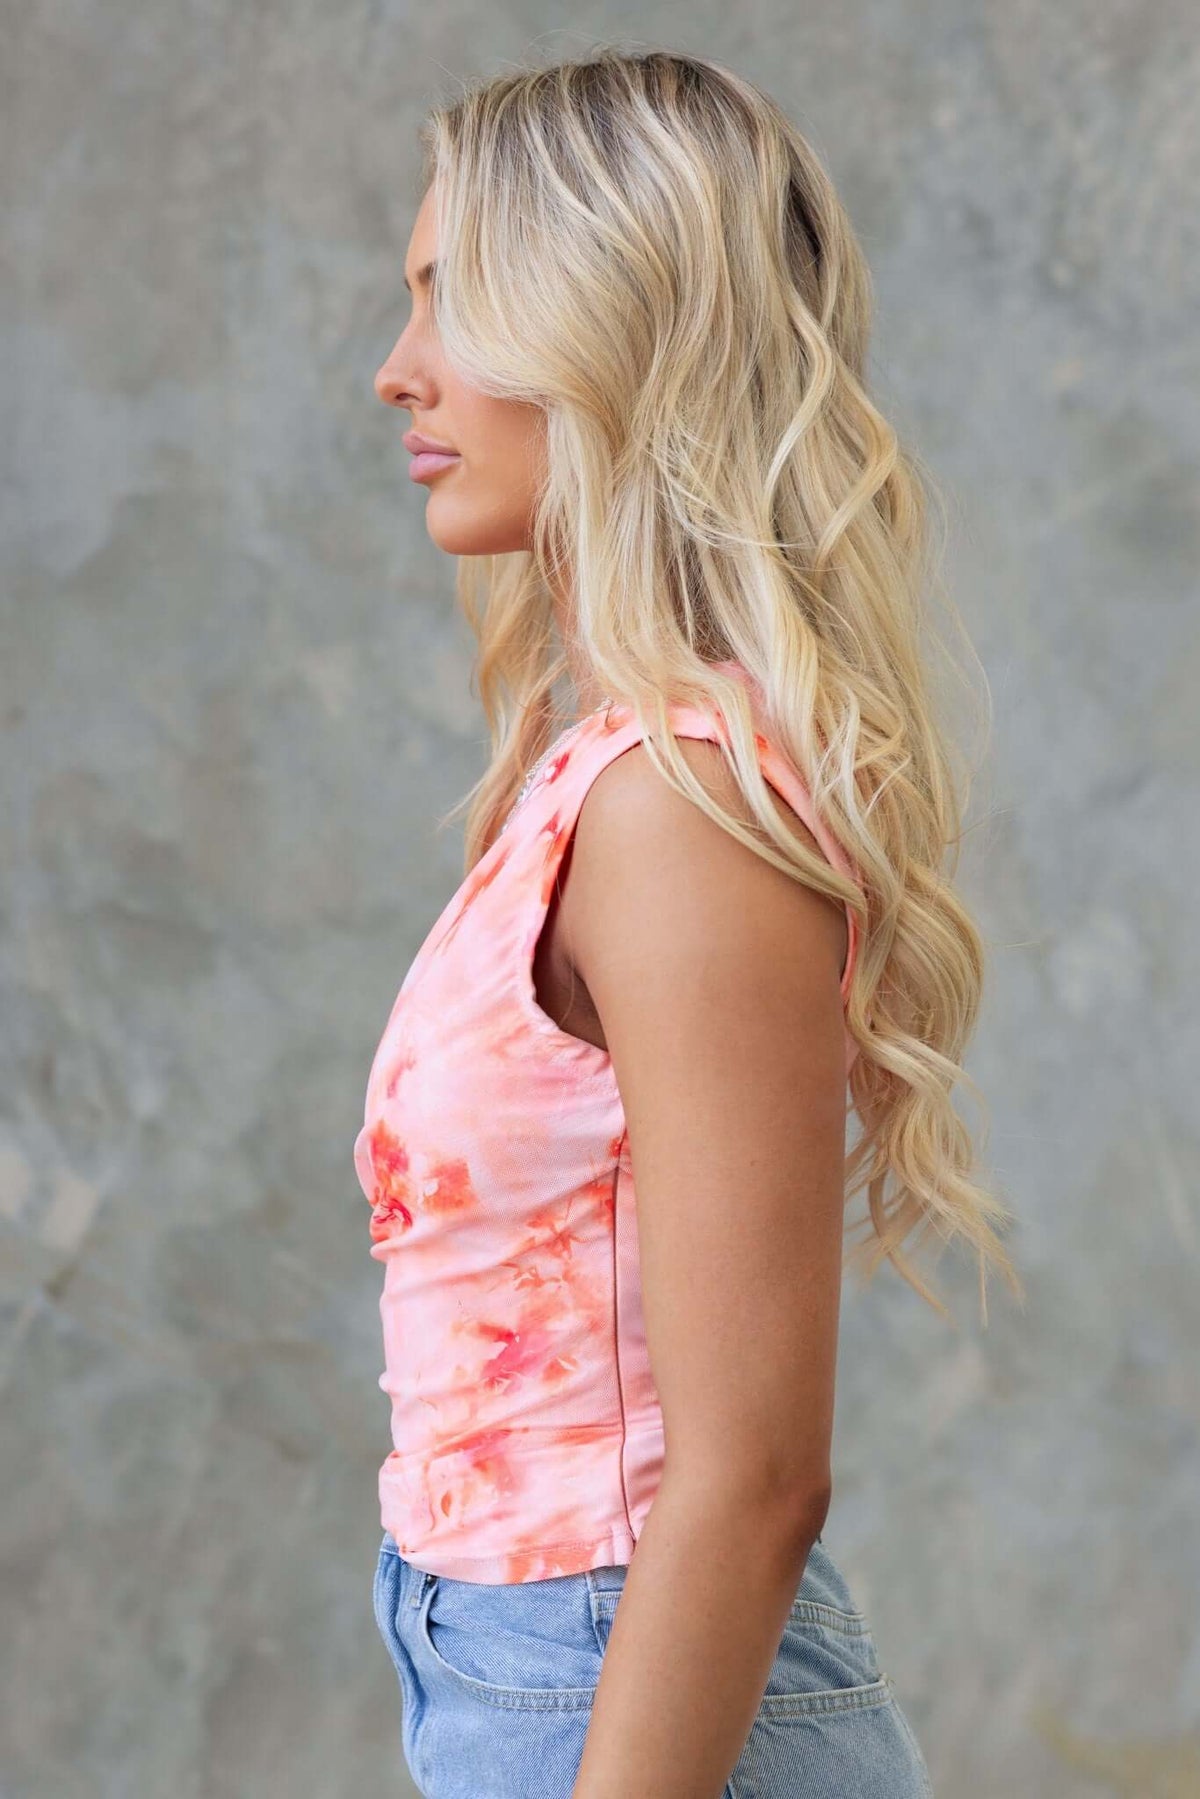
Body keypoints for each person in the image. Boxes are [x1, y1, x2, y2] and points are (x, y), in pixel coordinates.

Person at [359, 47, 1022, 1799]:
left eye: (450, 301)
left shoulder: (679, 814)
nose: (394, 371)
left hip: (629, 1693)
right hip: (520, 1663)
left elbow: (750, 1478)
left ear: (604, 326)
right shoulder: (605, 784)